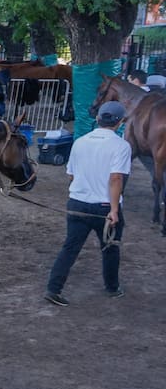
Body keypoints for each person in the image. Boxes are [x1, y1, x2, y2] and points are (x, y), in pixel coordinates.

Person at [45, 101, 132, 305]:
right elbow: (116, 178)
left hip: (77, 203)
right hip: (104, 207)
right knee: (110, 247)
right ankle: (112, 287)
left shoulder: (80, 141)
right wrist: (113, 209)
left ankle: (53, 288)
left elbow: (71, 176)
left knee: (70, 248)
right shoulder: (121, 146)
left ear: (97, 119)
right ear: (119, 122)